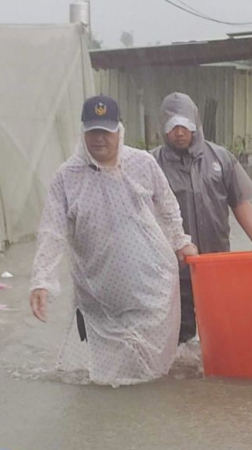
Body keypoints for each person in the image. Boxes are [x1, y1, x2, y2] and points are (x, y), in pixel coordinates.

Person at [28, 95, 197, 386]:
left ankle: (145, 421)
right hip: (99, 294)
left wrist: (181, 241)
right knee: (107, 379)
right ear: (83, 133)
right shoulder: (66, 178)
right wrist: (41, 279)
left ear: (119, 131)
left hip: (151, 286)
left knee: (151, 373)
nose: (99, 139)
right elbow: (52, 231)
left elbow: (168, 206)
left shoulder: (142, 163)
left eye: (105, 132)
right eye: (92, 132)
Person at [151, 92, 252, 343]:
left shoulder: (221, 158)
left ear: (195, 123)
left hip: (216, 265)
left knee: (220, 332)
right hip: (172, 271)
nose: (179, 132)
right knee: (177, 339)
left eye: (184, 125)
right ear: (163, 128)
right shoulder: (151, 164)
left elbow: (239, 200)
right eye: (172, 126)